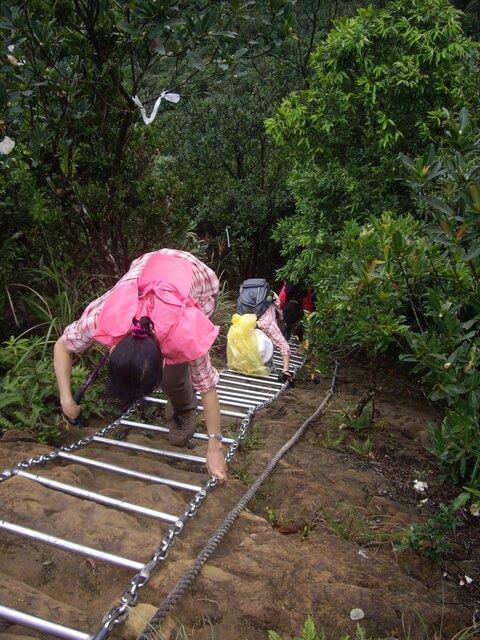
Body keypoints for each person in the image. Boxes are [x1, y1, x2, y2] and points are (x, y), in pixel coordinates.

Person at [53, 248, 227, 484]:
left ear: (163, 359)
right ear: (113, 349)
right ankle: (175, 388)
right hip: (147, 268)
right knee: (165, 371)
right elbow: (63, 346)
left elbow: (208, 387)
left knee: (175, 374)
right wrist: (67, 401)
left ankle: (183, 405)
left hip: (195, 280)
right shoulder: (103, 316)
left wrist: (214, 447)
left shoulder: (186, 329)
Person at [256, 290, 292, 383]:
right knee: (283, 345)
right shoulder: (270, 320)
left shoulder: (253, 301)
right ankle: (285, 371)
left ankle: (265, 365)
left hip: (247, 322)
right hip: (265, 323)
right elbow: (284, 347)